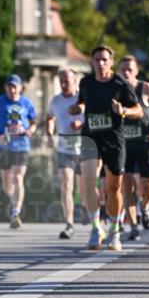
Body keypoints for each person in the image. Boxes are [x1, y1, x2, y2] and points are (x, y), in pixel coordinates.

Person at [69, 45, 142, 251]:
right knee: (89, 180)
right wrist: (78, 108)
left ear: (111, 62)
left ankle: (114, 230)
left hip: (114, 139)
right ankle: (96, 228)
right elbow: (83, 102)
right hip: (91, 137)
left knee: (113, 188)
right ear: (92, 62)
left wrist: (124, 110)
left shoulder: (120, 84)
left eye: (104, 59)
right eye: (97, 60)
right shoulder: (86, 82)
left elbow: (139, 111)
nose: (100, 63)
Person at [117, 55, 149, 241]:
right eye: (123, 69)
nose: (126, 72)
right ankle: (133, 227)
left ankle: (145, 208)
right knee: (126, 185)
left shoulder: (145, 88)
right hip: (124, 144)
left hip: (146, 142)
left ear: (136, 71)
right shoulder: (114, 90)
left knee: (147, 186)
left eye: (130, 69)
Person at [0, 74, 37, 228]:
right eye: (9, 86)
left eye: (15, 86)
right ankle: (14, 201)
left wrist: (30, 130)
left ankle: (15, 212)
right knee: (7, 182)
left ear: (20, 87)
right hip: (3, 146)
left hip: (21, 145)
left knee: (18, 177)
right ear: (5, 88)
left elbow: (34, 122)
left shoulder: (26, 103)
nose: (12, 90)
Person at [45, 68, 87, 239]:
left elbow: (94, 118)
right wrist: (49, 134)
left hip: (85, 148)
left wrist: (81, 125)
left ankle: (90, 212)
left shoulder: (84, 99)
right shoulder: (55, 101)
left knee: (85, 190)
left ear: (75, 81)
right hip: (64, 149)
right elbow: (49, 117)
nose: (63, 84)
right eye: (61, 81)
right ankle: (69, 224)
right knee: (66, 186)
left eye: (67, 81)